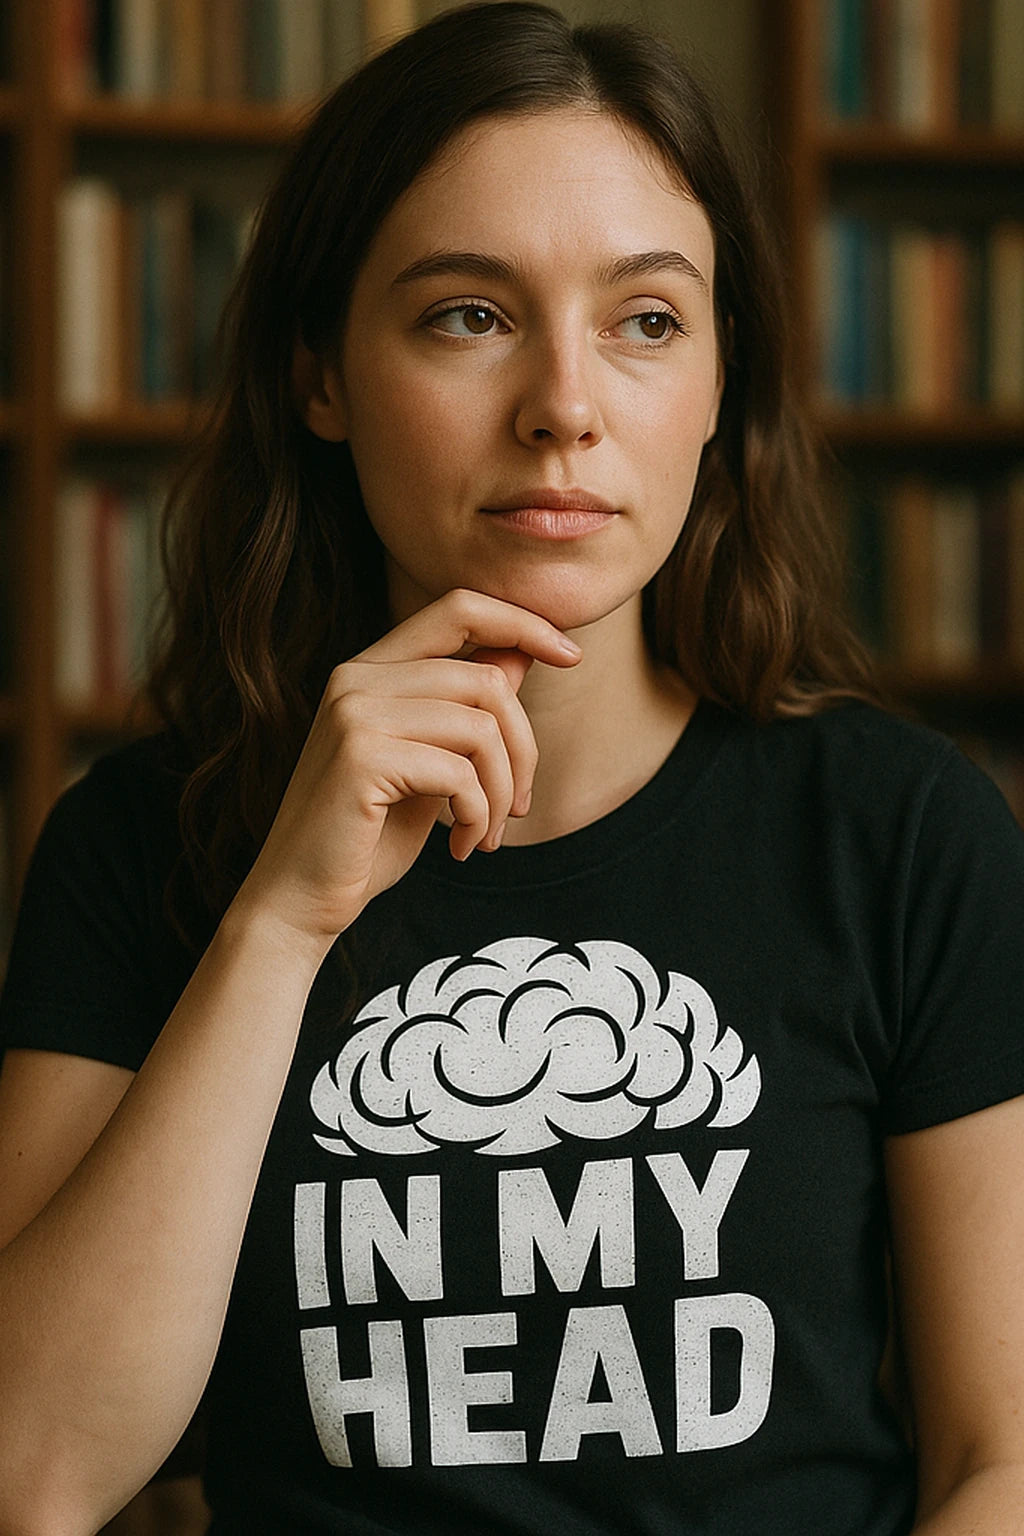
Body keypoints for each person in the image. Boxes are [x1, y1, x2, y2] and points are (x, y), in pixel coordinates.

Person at [1, 3, 1023, 1532]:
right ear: (322, 376)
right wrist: (279, 924)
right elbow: (32, 1471)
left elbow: (998, 1461)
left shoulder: (903, 835)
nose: (564, 404)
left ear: (721, 384)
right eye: (466, 315)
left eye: (648, 320)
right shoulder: (140, 846)